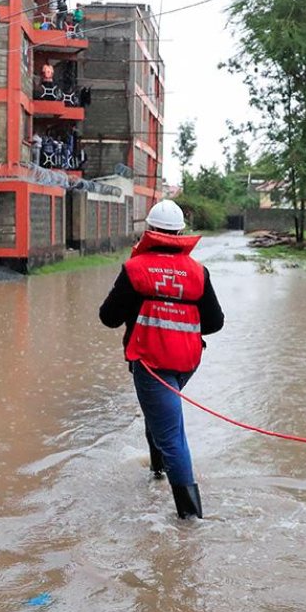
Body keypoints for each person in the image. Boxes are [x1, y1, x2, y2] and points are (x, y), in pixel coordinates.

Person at [99, 200, 224, 519]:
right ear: (180, 232)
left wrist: (141, 303)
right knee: (158, 415)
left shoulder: (135, 270)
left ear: (150, 231)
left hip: (152, 365)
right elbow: (214, 323)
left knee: (171, 435)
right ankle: (156, 472)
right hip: (187, 363)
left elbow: (109, 317)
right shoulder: (198, 272)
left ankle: (191, 520)